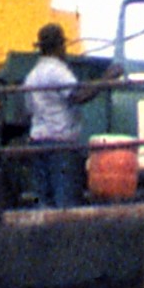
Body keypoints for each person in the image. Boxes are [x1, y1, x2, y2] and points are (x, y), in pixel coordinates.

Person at [19, 20, 87, 210]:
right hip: (60, 143)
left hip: (38, 141)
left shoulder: (32, 76)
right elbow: (78, 96)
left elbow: (27, 111)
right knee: (64, 200)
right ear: (59, 46)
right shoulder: (58, 72)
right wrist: (106, 80)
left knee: (44, 201)